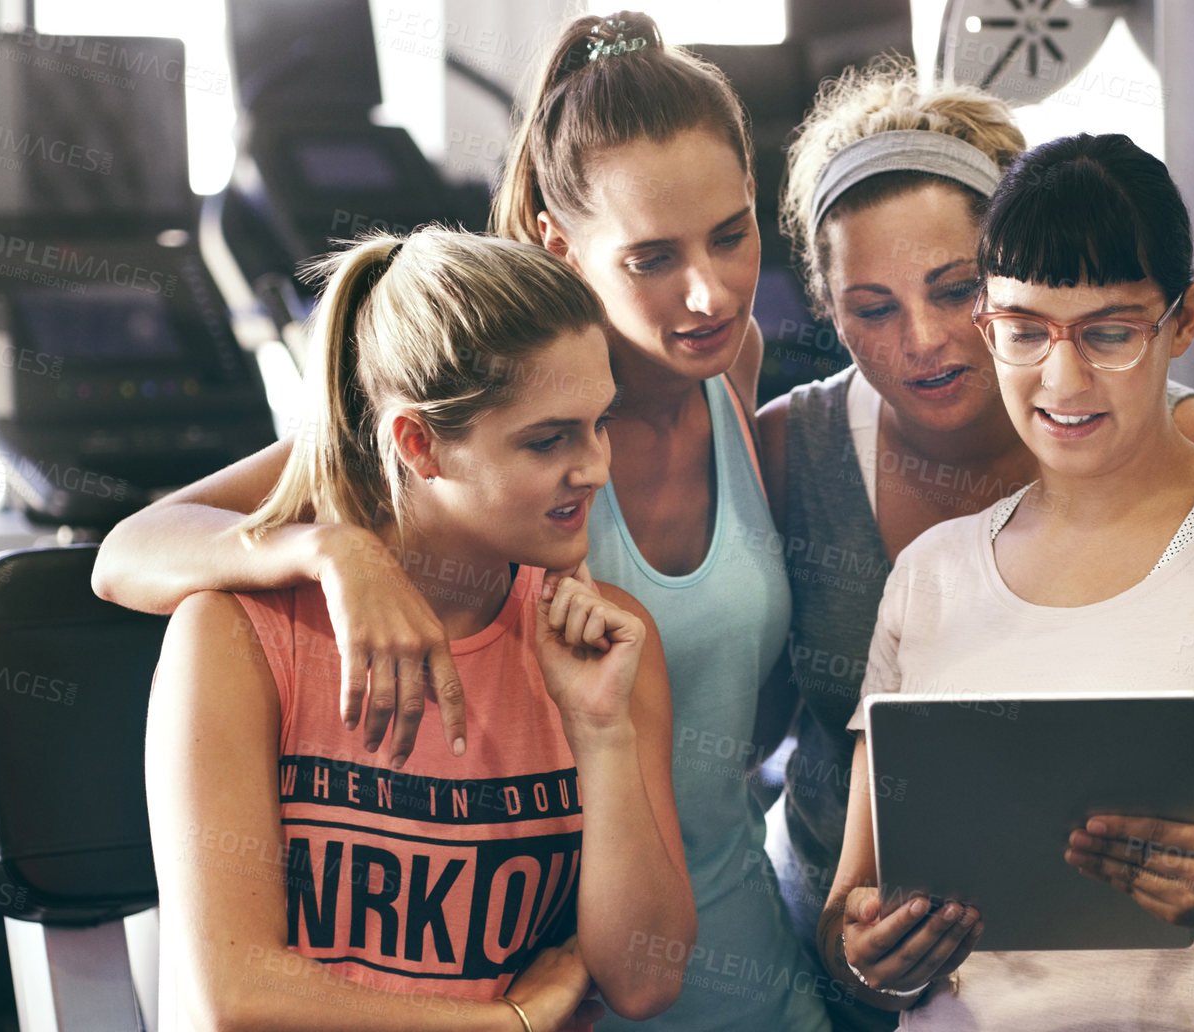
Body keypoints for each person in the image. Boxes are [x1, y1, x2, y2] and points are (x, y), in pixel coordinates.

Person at [102, 12, 830, 1029]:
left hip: (732, 948)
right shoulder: (469, 412)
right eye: (652, 255)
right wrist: (333, 549)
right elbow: (128, 549)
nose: (709, 291)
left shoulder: (732, 366)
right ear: (557, 242)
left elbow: (739, 727)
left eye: (732, 232)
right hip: (554, 986)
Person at [816, 133, 1194, 1030]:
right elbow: (849, 918)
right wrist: (873, 954)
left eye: (1108, 333)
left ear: (1182, 319)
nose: (1062, 378)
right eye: (1023, 331)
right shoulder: (929, 579)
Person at [758, 62, 1194, 1030]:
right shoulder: (793, 450)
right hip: (850, 947)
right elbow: (738, 721)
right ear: (826, 307)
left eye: (955, 292)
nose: (925, 342)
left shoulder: (1170, 436)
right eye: (872, 308)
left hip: (1092, 961)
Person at [146, 229, 693, 1031]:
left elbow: (646, 982)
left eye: (598, 423)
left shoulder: (605, 641)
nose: (594, 467)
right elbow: (235, 998)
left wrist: (602, 733)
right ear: (418, 444)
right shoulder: (232, 636)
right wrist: (513, 1021)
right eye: (547, 440)